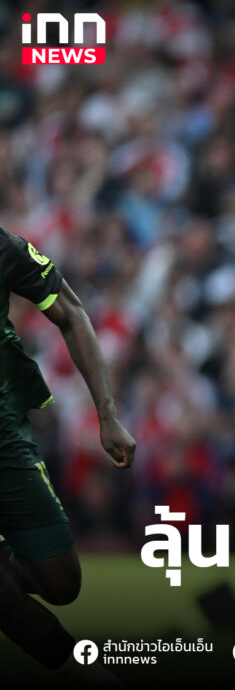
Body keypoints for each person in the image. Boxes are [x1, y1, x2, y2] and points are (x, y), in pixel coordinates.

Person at [0, 226, 136, 687]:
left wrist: (107, 414)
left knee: (61, 582)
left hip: (3, 436)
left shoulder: (3, 247)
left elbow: (73, 312)